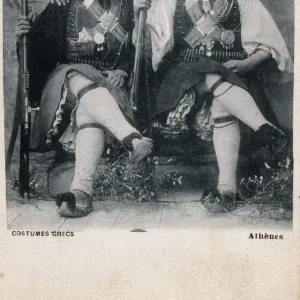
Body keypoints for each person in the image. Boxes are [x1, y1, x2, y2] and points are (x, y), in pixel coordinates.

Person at [135, 0, 293, 212]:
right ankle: (265, 129)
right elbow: (148, 44)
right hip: (185, 80)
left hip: (233, 79)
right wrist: (138, 17)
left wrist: (246, 64)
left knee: (221, 105)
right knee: (209, 71)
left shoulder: (244, 1)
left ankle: (226, 191)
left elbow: (269, 45)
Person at [15, 0, 153, 218]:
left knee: (89, 110)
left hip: (107, 92)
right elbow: (36, 54)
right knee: (76, 75)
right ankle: (131, 138)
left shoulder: (127, 7)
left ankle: (81, 193)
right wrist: (25, 33)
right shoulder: (63, 4)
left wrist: (124, 71)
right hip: (65, 86)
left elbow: (135, 54)